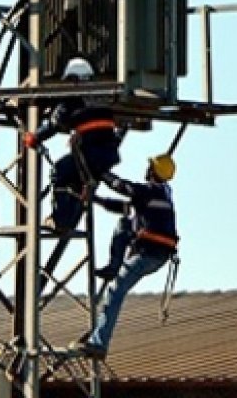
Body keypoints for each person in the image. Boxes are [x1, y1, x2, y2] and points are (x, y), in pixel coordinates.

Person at [72, 154, 178, 359]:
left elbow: (122, 187)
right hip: (158, 253)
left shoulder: (148, 191)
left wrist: (102, 174)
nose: (147, 169)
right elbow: (125, 207)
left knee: (114, 293)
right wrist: (96, 199)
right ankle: (113, 267)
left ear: (154, 172)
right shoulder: (163, 194)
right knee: (124, 224)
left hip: (148, 253)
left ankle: (99, 344)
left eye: (150, 167)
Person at [23, 57, 122, 232]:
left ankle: (60, 220)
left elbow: (56, 122)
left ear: (74, 79)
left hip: (90, 154)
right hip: (108, 155)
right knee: (77, 181)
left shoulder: (72, 98)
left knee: (59, 172)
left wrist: (35, 137)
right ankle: (69, 217)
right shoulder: (102, 96)